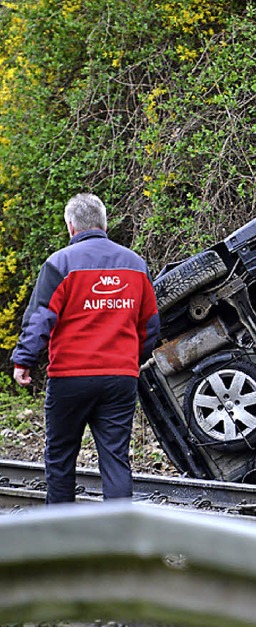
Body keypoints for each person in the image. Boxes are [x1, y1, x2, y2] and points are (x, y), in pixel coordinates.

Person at [11, 193, 160, 503]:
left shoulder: (61, 264)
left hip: (70, 377)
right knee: (116, 459)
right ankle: (119, 536)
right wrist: (131, 360)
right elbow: (150, 326)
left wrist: (24, 359)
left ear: (71, 226)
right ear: (104, 224)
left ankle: (63, 535)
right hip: (120, 378)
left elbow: (41, 316)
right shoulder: (135, 264)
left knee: (61, 456)